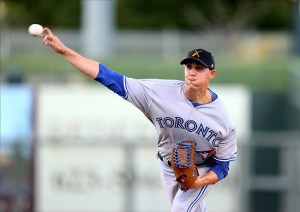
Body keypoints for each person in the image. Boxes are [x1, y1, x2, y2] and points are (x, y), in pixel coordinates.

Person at [41, 27, 237, 212]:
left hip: (201, 168)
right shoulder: (158, 93)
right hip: (167, 165)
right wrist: (64, 51)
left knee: (181, 209)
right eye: (189, 66)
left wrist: (199, 182)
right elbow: (108, 77)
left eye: (199, 68)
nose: (192, 72)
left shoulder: (222, 119)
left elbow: (223, 165)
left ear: (212, 74)